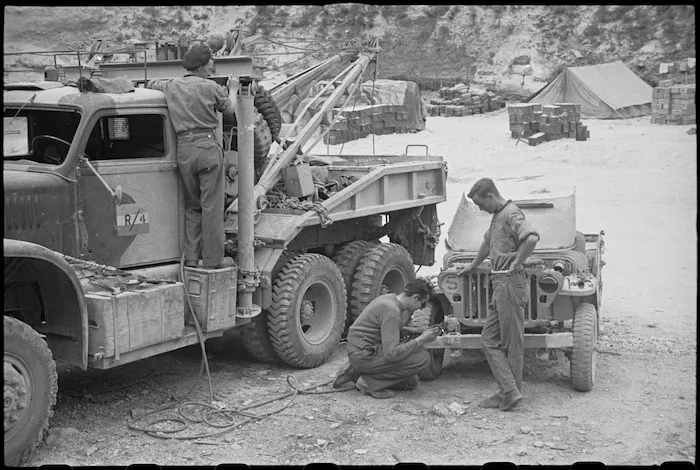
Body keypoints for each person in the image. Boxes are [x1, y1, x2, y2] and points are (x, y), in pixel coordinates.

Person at [147, 44, 238, 269]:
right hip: (207, 149)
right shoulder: (211, 87)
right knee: (212, 208)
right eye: (209, 64)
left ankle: (191, 258)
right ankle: (213, 261)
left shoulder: (172, 86)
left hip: (184, 151)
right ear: (200, 66)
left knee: (193, 206)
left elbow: (151, 84)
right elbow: (229, 109)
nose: (211, 68)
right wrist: (233, 89)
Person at [459, 178, 539, 411]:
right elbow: (487, 243)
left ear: (491, 197)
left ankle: (511, 393)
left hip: (509, 283)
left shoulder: (511, 214)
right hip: (499, 284)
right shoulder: (498, 216)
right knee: (489, 340)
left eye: (481, 204)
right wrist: (473, 266)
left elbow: (531, 237)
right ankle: (509, 391)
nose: (481, 209)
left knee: (512, 344)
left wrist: (517, 261)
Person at [333, 279, 441, 399]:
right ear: (415, 298)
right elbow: (391, 354)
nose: (421, 309)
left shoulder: (389, 299)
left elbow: (383, 327)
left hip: (361, 351)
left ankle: (355, 372)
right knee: (423, 358)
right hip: (364, 355)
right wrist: (421, 339)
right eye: (423, 304)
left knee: (411, 382)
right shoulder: (392, 311)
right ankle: (368, 382)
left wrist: (411, 331)